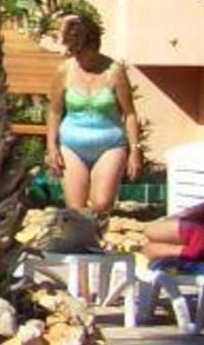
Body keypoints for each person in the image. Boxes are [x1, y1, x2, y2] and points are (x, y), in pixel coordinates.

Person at [47, 15, 141, 216]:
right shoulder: (64, 71)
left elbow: (130, 114)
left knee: (101, 203)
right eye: (76, 52)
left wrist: (134, 150)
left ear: (95, 46)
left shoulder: (114, 71)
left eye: (84, 52)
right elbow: (55, 111)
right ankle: (84, 235)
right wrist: (52, 146)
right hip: (72, 146)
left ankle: (97, 230)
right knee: (76, 210)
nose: (80, 58)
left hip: (109, 145)